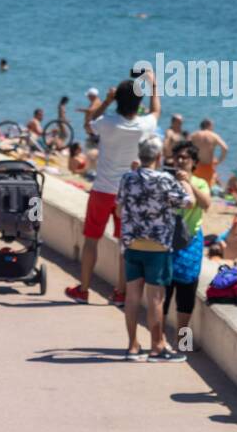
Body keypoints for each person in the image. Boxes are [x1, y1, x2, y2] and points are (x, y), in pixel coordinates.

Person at [65, 74, 160, 305]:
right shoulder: (143, 125)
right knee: (124, 245)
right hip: (128, 194)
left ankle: (84, 290)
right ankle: (120, 293)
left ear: (118, 99)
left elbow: (88, 123)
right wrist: (154, 84)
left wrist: (106, 101)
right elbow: (156, 112)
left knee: (91, 240)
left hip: (102, 190)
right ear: (139, 103)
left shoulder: (107, 122)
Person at [116, 136, 194, 361]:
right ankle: (157, 346)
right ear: (159, 157)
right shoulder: (164, 180)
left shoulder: (127, 178)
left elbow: (120, 209)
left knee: (132, 297)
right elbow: (188, 202)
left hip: (132, 244)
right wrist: (184, 181)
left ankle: (132, 346)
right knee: (156, 299)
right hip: (158, 247)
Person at [164, 141, 211, 347]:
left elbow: (206, 204)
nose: (181, 161)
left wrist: (188, 183)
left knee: (187, 292)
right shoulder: (165, 179)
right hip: (166, 241)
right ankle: (159, 340)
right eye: (178, 157)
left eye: (185, 158)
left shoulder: (200, 183)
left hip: (190, 242)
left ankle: (183, 342)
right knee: (163, 291)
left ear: (194, 162)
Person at [189, 119, 228, 186]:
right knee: (206, 189)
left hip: (195, 165)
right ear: (208, 125)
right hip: (208, 167)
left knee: (194, 187)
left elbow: (185, 146)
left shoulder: (194, 135)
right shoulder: (213, 135)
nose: (213, 128)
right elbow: (225, 148)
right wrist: (219, 161)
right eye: (212, 126)